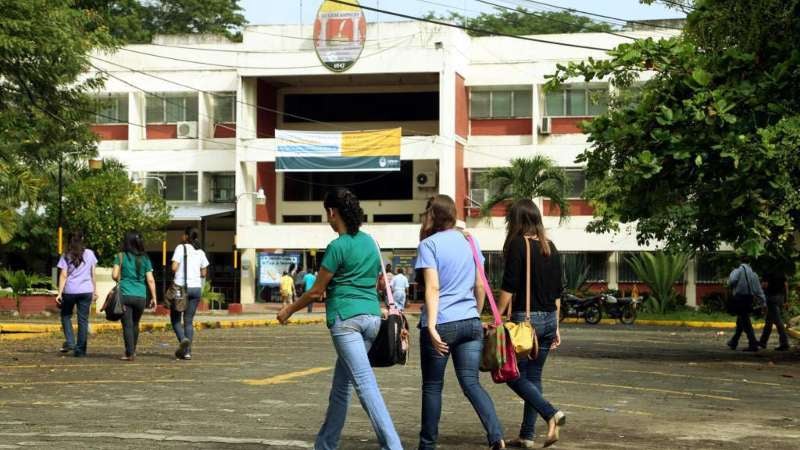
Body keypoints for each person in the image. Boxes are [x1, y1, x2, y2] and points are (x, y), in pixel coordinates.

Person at [277, 188, 401, 450]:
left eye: (327, 215)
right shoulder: (370, 242)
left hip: (347, 321)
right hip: (372, 319)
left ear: (333, 212)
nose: (328, 220)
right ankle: (325, 443)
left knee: (365, 386)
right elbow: (375, 281)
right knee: (341, 387)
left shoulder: (336, 247)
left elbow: (316, 291)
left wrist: (289, 310)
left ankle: (393, 446)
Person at [415, 194, 505, 450]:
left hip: (442, 323)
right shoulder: (470, 241)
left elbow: (432, 287)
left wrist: (431, 325)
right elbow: (479, 284)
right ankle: (496, 436)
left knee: (432, 386)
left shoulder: (428, 245)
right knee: (472, 383)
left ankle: (427, 445)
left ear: (432, 215)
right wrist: (474, 314)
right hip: (470, 322)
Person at [496, 199, 566, 448]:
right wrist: (555, 325)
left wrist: (496, 316)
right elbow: (558, 292)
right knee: (533, 377)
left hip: (527, 324)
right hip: (548, 320)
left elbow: (509, 286)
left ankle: (551, 413)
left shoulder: (518, 244)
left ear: (516, 221)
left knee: (511, 375)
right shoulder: (551, 247)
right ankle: (527, 436)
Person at [110, 231, 157, 361]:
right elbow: (150, 280)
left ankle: (129, 353)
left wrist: (121, 278)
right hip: (141, 296)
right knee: (135, 323)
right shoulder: (145, 258)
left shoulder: (120, 256)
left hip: (125, 294)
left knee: (127, 325)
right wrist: (154, 297)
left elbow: (114, 275)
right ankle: (132, 350)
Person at [55, 231, 98, 357]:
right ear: (82, 239)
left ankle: (70, 342)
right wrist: (95, 290)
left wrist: (59, 293)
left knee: (66, 316)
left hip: (70, 291)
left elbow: (63, 275)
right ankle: (80, 351)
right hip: (86, 291)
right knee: (83, 320)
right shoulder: (90, 253)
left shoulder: (66, 255)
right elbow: (92, 274)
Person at [170, 227, 209, 360]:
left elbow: (174, 267)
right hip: (196, 288)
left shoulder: (180, 248)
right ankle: (187, 353)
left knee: (175, 319)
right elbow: (204, 273)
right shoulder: (201, 252)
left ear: (186, 236)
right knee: (188, 321)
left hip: (181, 287)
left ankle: (183, 339)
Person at [727, 256, 766, 352]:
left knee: (745, 321)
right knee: (741, 320)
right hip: (749, 299)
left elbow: (731, 282)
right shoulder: (754, 274)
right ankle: (734, 341)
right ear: (750, 263)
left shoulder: (737, 271)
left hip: (739, 298)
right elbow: (758, 290)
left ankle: (752, 343)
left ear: (740, 262)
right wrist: (763, 302)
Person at [759, 270, 790, 351]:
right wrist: (786, 300)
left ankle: (784, 343)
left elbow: (764, 285)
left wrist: (761, 297)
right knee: (769, 321)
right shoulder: (781, 272)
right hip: (780, 297)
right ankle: (763, 342)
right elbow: (786, 286)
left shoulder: (767, 272)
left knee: (778, 321)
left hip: (772, 298)